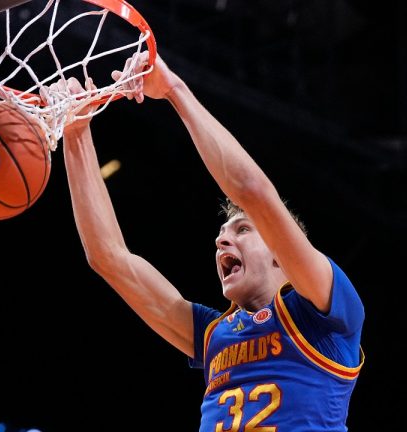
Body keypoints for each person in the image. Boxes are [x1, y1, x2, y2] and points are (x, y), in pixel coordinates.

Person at [56, 52, 365, 431]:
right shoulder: (215, 332)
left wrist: (174, 90)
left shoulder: (325, 313)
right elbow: (108, 257)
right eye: (221, 234)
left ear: (279, 255)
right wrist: (76, 134)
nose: (222, 240)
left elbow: (253, 192)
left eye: (242, 230)